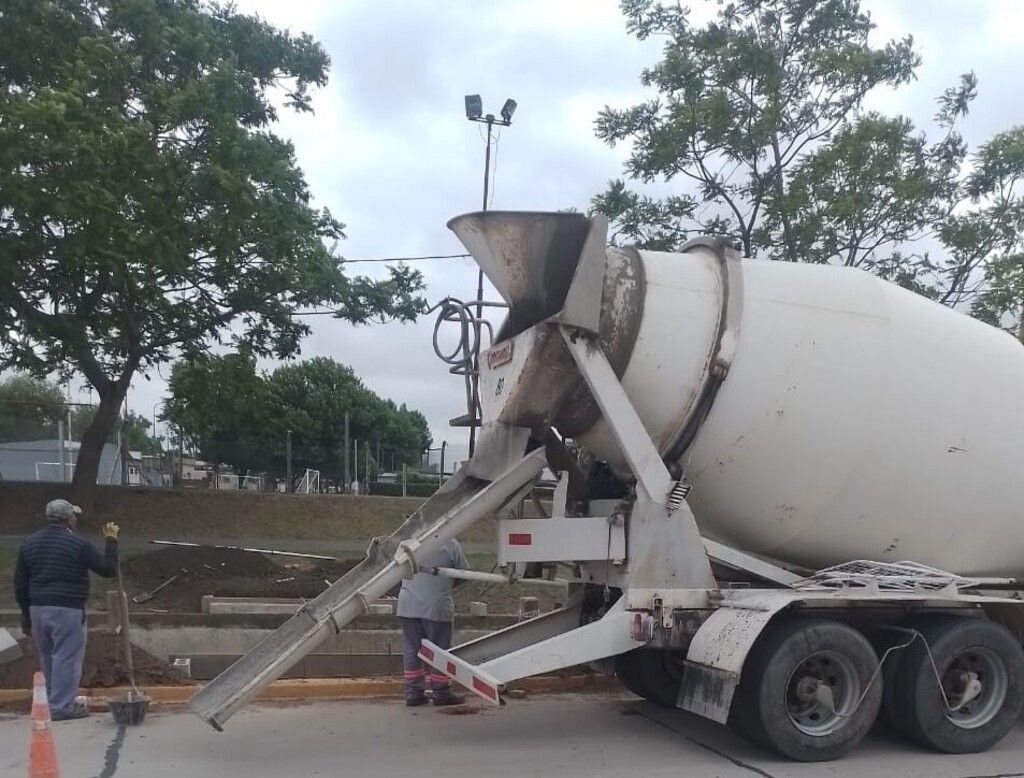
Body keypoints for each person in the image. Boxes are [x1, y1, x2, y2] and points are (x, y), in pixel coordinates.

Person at [13, 499, 120, 721]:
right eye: (74, 516)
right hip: (67, 609)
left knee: (47, 656)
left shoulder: (29, 544)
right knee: (66, 657)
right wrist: (111, 541)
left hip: (38, 608)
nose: (75, 519)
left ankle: (51, 701)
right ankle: (61, 707)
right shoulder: (77, 544)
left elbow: (20, 583)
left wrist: (25, 615)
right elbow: (108, 570)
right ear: (70, 519)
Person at [397, 538, 469, 707]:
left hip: (409, 604)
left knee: (412, 649)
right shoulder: (450, 543)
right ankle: (441, 692)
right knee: (440, 651)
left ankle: (413, 693)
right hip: (436, 606)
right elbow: (464, 573)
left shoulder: (406, 542)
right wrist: (445, 585)